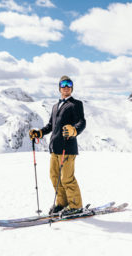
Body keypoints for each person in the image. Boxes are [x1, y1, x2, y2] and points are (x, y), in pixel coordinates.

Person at [29, 75, 86, 216]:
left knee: (67, 178)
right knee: (54, 177)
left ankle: (75, 205)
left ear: (72, 88)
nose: (66, 87)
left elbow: (81, 122)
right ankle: (62, 203)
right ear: (59, 88)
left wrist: (74, 130)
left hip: (68, 147)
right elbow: (51, 126)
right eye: (63, 84)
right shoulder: (55, 106)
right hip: (55, 148)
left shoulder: (76, 104)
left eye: (69, 84)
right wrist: (39, 133)